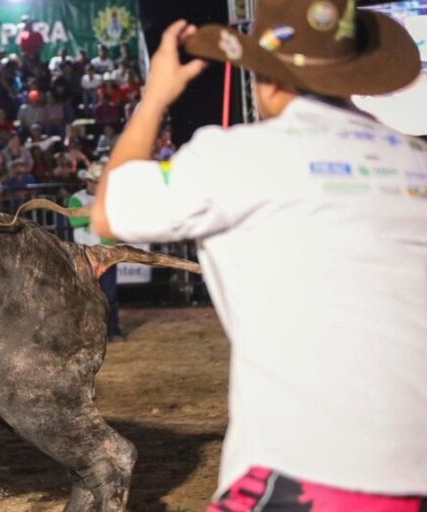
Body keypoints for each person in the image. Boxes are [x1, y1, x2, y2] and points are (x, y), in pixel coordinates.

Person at [91, 3, 426, 509]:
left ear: (267, 80)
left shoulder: (236, 156)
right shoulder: (414, 160)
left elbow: (110, 210)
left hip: (307, 472)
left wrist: (156, 95)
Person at [68, 165, 121, 338]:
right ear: (89, 182)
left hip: (103, 253)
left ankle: (112, 330)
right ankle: (89, 332)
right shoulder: (78, 198)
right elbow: (75, 221)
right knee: (86, 296)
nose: (99, 185)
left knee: (109, 294)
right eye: (96, 182)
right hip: (85, 255)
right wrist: (99, 213)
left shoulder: (105, 199)